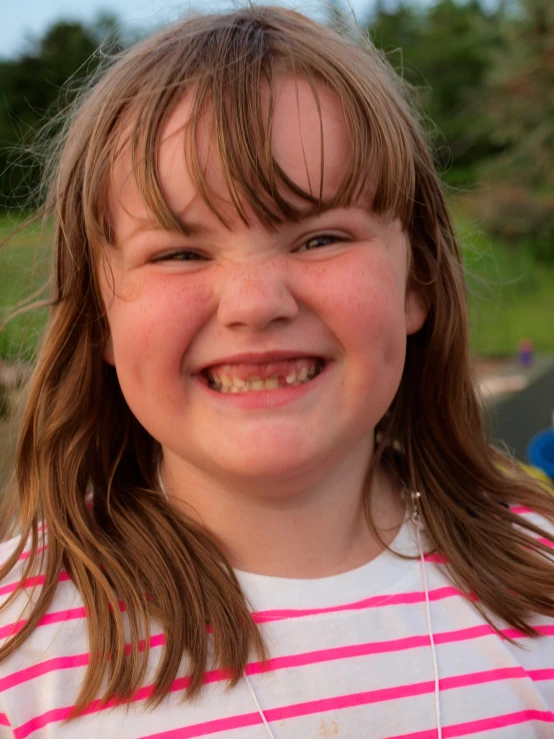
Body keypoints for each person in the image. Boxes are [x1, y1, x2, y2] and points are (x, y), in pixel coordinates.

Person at [0, 6, 553, 738]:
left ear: (416, 278)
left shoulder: (538, 577)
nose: (257, 303)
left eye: (320, 237)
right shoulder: (19, 642)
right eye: (179, 252)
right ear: (100, 314)